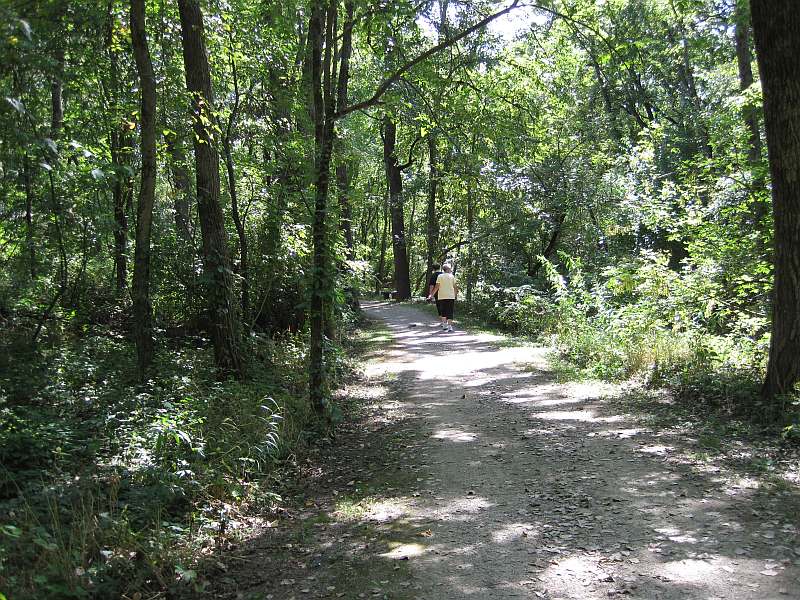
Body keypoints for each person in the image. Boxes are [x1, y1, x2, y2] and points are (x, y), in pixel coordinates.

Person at [427, 263, 457, 331]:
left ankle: (444, 325)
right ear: (448, 269)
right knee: (450, 311)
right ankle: (449, 326)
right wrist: (455, 295)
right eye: (450, 268)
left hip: (442, 296)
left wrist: (431, 294)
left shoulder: (440, 276)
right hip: (450, 296)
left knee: (443, 311)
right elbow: (455, 287)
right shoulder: (452, 276)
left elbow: (436, 287)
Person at [428, 263, 444, 327]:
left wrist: (430, 294)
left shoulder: (433, 275)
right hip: (445, 292)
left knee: (439, 306)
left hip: (437, 293)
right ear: (439, 267)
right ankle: (446, 321)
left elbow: (432, 285)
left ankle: (443, 322)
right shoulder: (443, 274)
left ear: (433, 269)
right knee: (445, 306)